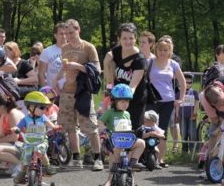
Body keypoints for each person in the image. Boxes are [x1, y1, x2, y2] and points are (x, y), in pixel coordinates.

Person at [54, 19, 103, 171]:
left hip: (83, 92)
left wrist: (79, 67)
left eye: (71, 32)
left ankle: (98, 158)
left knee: (90, 126)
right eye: (66, 33)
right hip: (67, 91)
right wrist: (57, 79)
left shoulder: (88, 47)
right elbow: (64, 66)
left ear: (78, 30)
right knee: (69, 126)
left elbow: (97, 69)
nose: (69, 36)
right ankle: (76, 157)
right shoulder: (65, 48)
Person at [146, 36, 186, 167]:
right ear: (156, 50)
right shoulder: (149, 62)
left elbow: (182, 82)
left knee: (162, 130)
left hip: (168, 101)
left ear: (170, 51)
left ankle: (160, 159)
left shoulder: (173, 64)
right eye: (160, 50)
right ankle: (147, 156)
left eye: (166, 50)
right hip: (152, 100)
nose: (163, 52)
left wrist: (181, 98)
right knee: (149, 128)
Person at [99, 84, 146, 186]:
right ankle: (110, 180)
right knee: (115, 156)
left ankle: (132, 165)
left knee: (141, 143)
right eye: (123, 101)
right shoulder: (110, 113)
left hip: (127, 140)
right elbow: (100, 121)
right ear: (115, 101)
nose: (126, 104)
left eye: (127, 101)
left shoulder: (127, 114)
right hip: (114, 141)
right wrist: (103, 128)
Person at [103, 23, 147, 131]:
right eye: (124, 38)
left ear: (136, 38)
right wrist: (106, 62)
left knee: (132, 131)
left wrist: (117, 96)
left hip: (134, 100)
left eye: (131, 38)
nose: (128, 41)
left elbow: (132, 88)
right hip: (117, 99)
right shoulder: (116, 51)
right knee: (115, 131)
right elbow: (108, 73)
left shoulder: (140, 60)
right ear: (119, 39)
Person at [12, 91, 58, 184]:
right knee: (26, 158)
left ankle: (47, 166)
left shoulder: (43, 117)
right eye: (42, 107)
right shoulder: (26, 119)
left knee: (41, 151)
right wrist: (15, 128)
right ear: (31, 107)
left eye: (45, 108)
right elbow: (19, 126)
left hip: (41, 140)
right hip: (29, 141)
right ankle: (22, 173)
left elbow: (49, 123)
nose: (44, 110)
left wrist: (54, 127)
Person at [38, 22, 67, 87]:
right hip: (52, 91)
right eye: (61, 34)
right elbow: (41, 73)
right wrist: (45, 91)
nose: (64, 36)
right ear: (55, 35)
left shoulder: (73, 51)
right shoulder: (47, 51)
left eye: (66, 33)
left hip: (69, 92)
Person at [178, 72, 199, 153]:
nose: (187, 84)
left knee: (192, 132)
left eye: (189, 82)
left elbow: (197, 102)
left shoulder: (194, 92)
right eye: (185, 82)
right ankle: (184, 149)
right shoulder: (179, 93)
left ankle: (192, 149)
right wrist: (177, 114)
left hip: (191, 116)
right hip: (182, 116)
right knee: (183, 132)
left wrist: (194, 113)